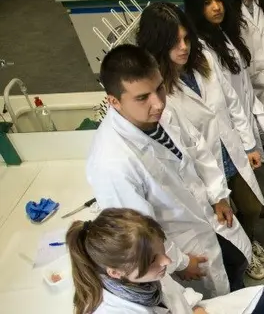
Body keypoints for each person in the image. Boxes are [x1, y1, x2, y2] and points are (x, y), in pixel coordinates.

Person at [86, 45, 252, 298]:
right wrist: (181, 262)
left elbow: (197, 147)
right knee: (213, 299)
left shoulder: (160, 111)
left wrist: (218, 194)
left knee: (236, 268)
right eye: (142, 97)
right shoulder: (112, 163)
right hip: (180, 247)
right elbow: (137, 235)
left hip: (207, 219)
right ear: (114, 101)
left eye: (159, 88)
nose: (158, 102)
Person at [136, 2, 264, 281]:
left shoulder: (205, 60)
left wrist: (249, 144)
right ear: (157, 45)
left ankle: (249, 240)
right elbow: (186, 147)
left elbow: (233, 103)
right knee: (224, 220)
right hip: (203, 167)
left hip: (229, 150)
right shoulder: (159, 92)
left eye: (186, 38)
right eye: (174, 42)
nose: (184, 47)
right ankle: (242, 252)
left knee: (250, 207)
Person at [183, 0, 264, 212]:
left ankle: (257, 206)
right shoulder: (201, 48)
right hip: (228, 126)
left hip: (242, 113)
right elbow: (221, 103)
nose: (216, 7)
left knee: (257, 164)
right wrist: (245, 138)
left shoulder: (221, 32)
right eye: (208, 2)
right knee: (238, 184)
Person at [67, 208, 264, 313]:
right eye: (153, 260)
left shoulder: (140, 276)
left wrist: (194, 307)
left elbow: (178, 295)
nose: (166, 261)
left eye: (162, 250)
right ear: (115, 272)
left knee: (260, 297)